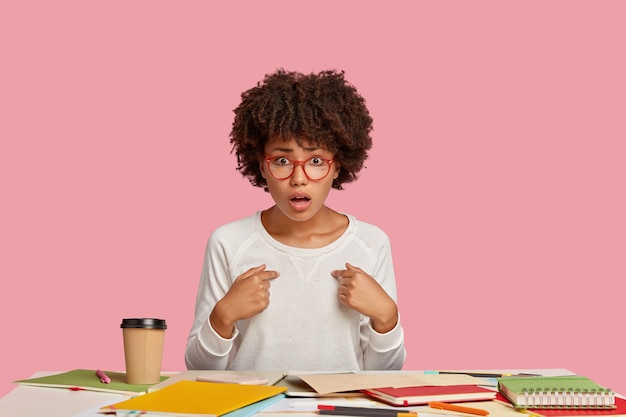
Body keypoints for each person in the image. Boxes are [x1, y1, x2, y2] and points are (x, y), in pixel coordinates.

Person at [185, 69, 405, 371]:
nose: (299, 179)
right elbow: (199, 369)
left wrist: (387, 318)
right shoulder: (228, 242)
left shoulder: (371, 244)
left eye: (316, 161)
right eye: (282, 161)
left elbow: (383, 376)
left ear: (338, 166)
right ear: (261, 166)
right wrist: (221, 317)